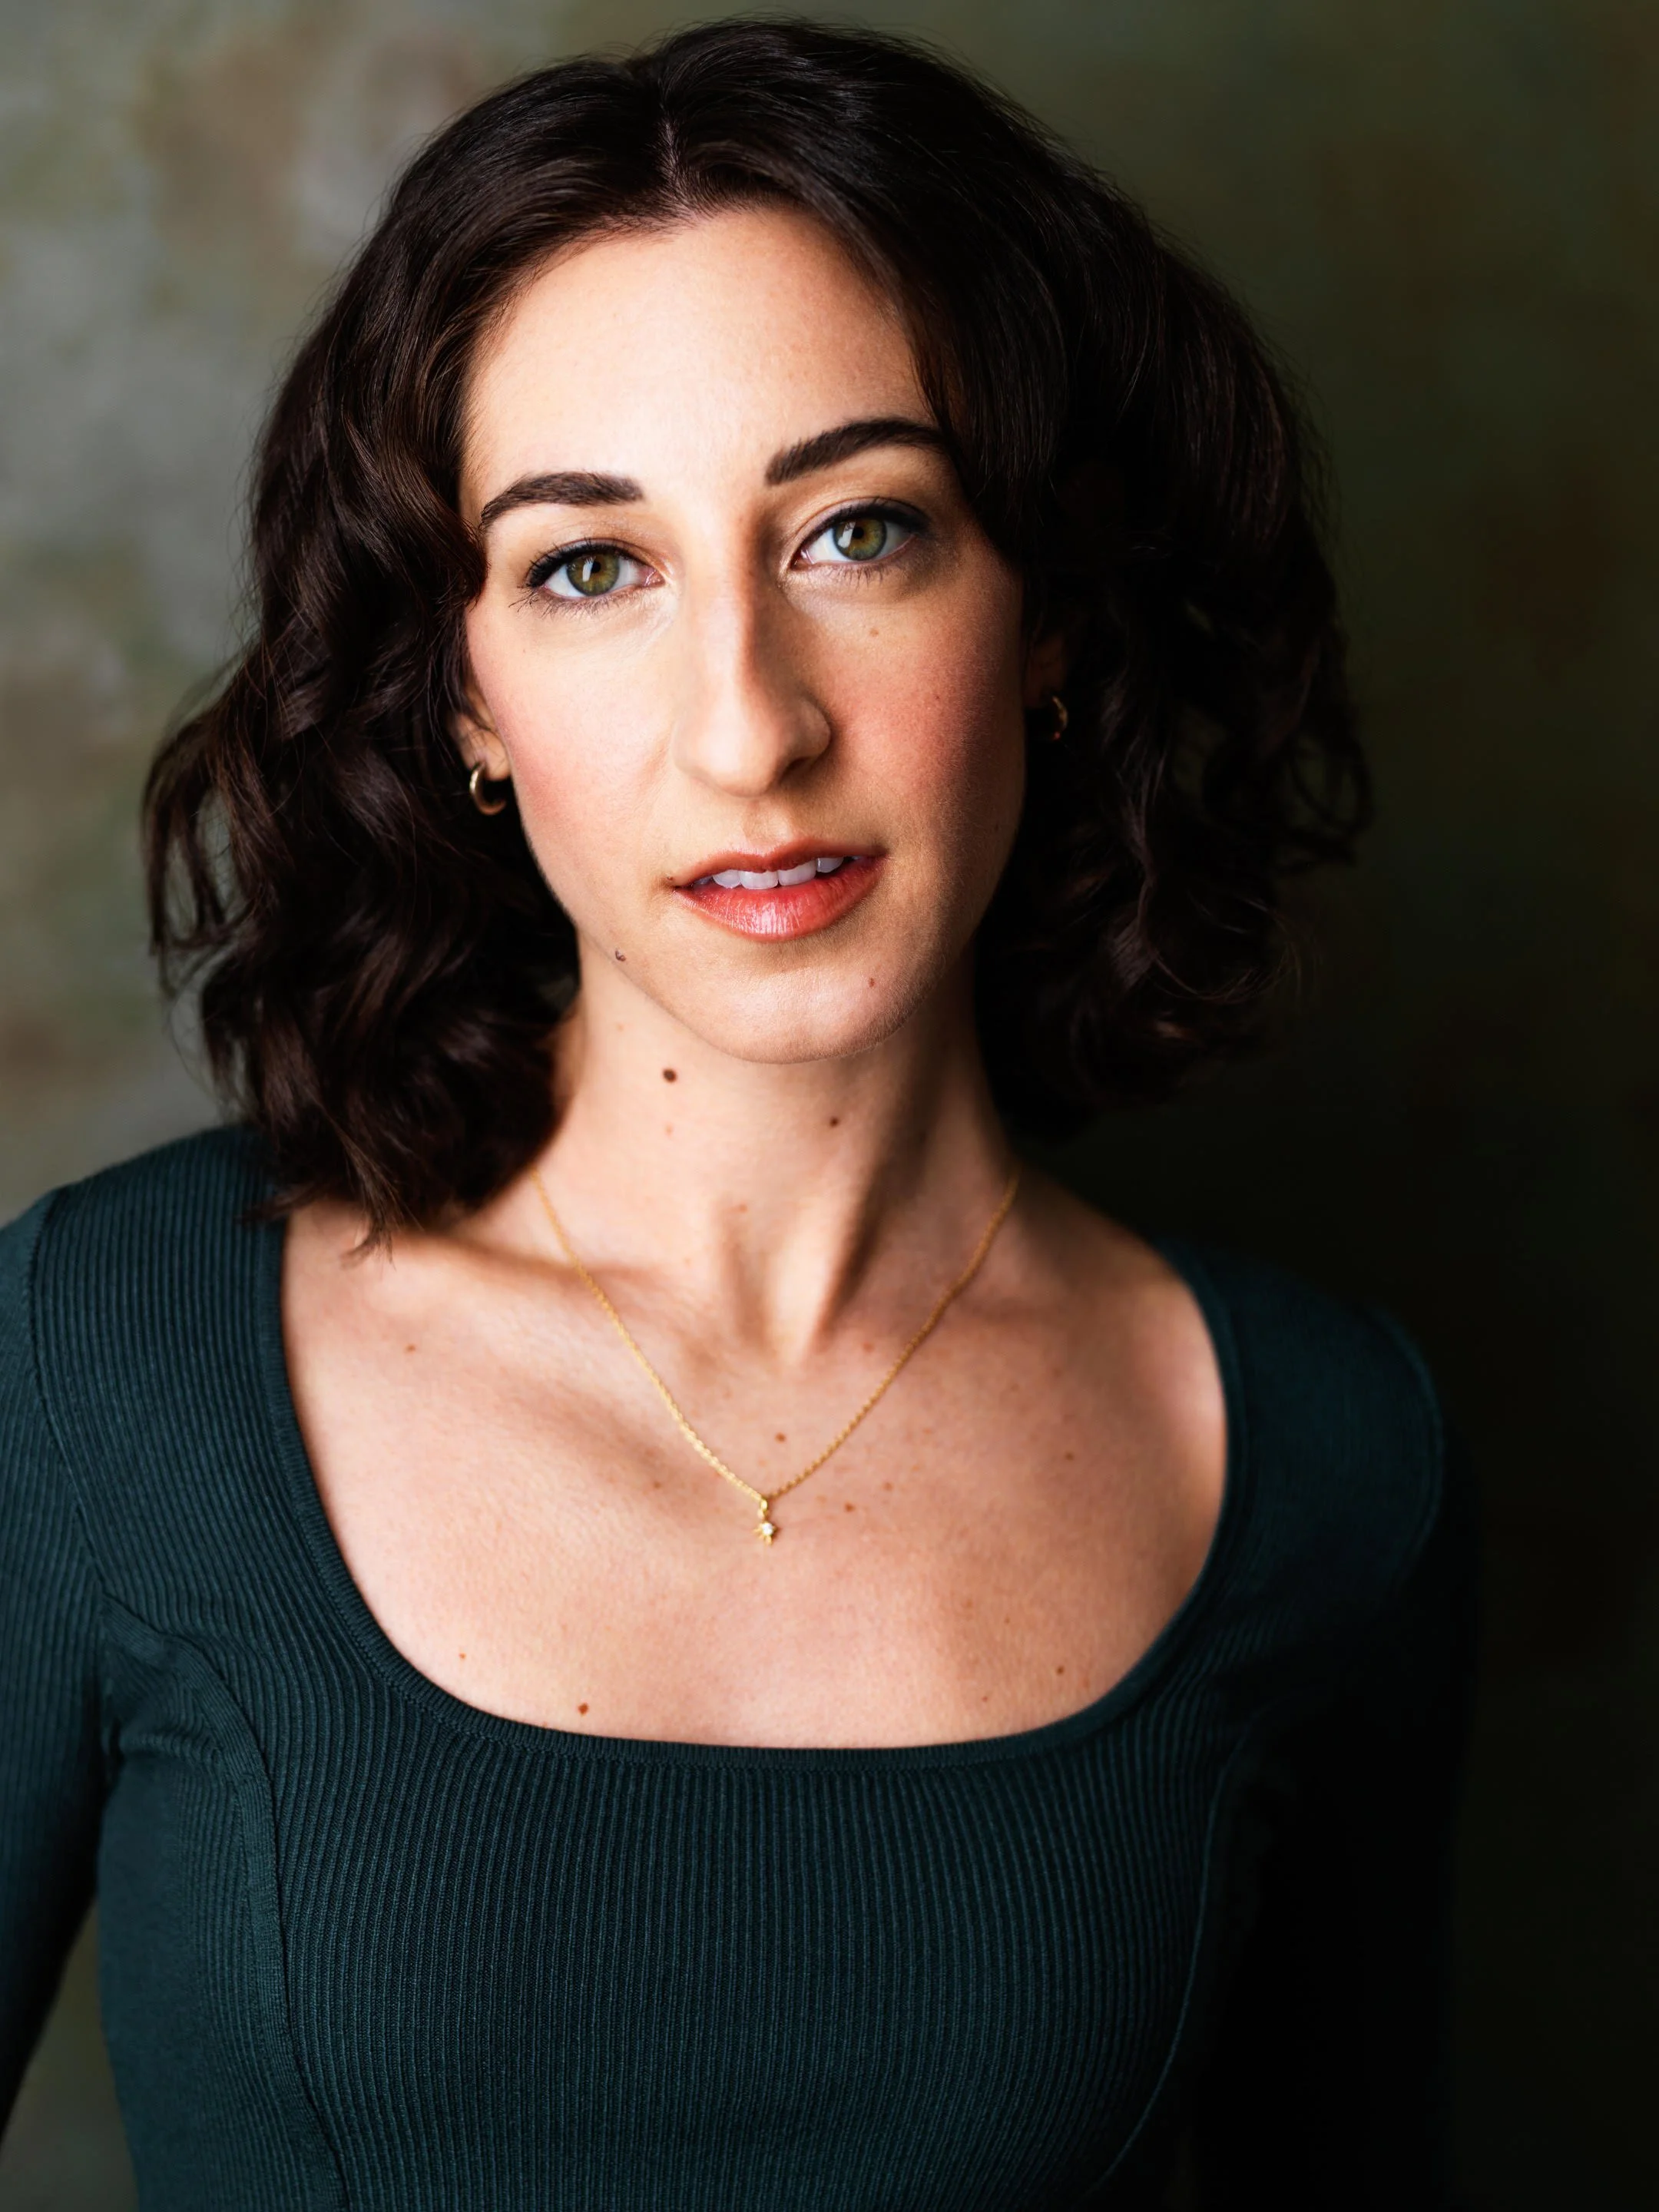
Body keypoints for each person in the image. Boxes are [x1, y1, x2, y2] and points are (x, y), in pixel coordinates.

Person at [0, 18, 1474, 2207]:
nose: (750, 730)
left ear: (1050, 607)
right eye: (593, 567)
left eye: (860, 530)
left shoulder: (1329, 1458)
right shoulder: (93, 1361)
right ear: (466, 695)